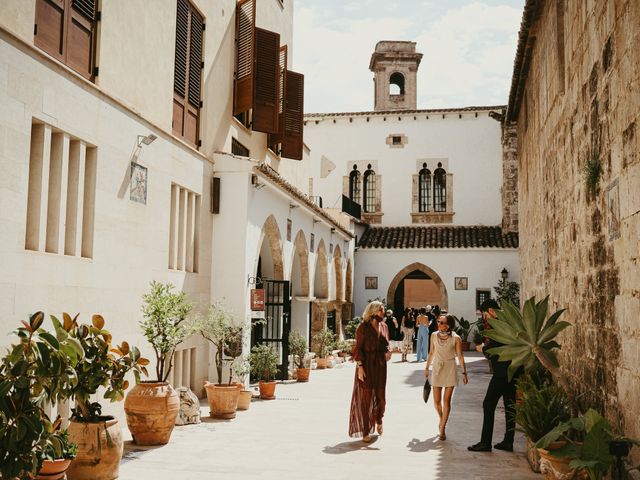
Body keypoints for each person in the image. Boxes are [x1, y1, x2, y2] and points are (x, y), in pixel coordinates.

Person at [468, 299, 520, 452]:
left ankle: (485, 442)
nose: (484, 318)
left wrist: (483, 349)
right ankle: (508, 441)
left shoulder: (499, 324)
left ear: (490, 310)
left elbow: (496, 347)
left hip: (502, 372)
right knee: (510, 406)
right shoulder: (509, 321)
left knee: (488, 404)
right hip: (513, 370)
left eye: (484, 314)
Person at [349, 300, 391, 442]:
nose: (383, 313)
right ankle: (366, 431)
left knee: (381, 398)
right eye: (381, 310)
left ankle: (379, 419)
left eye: (383, 310)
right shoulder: (363, 328)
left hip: (380, 367)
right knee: (365, 399)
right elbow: (358, 348)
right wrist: (360, 367)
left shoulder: (384, 327)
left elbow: (386, 346)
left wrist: (389, 353)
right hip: (366, 366)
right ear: (373, 312)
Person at [425, 314, 468, 440]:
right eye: (438, 321)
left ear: (448, 325)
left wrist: (464, 373)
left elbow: (460, 356)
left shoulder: (456, 338)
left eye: (442, 322)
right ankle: (442, 418)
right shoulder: (433, 335)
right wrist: (427, 368)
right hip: (437, 368)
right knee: (436, 402)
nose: (438, 324)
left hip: (450, 368)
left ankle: (442, 428)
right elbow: (431, 352)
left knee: (446, 401)